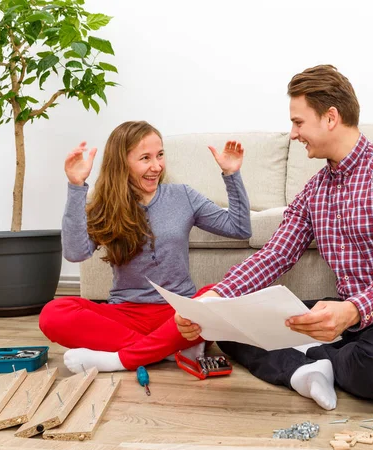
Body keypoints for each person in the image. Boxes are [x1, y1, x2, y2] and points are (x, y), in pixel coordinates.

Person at [176, 65, 373, 409]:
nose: (293, 134)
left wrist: (352, 311)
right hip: (347, 317)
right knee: (231, 331)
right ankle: (309, 372)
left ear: (331, 117)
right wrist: (211, 303)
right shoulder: (314, 191)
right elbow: (275, 255)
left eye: (298, 122)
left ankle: (308, 360)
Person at [39, 121, 252, 373]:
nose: (156, 166)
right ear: (122, 163)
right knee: (53, 313)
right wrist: (76, 187)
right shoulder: (106, 205)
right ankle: (166, 349)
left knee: (222, 293)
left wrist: (231, 175)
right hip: (126, 314)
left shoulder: (182, 195)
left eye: (160, 155)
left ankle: (120, 358)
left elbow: (239, 229)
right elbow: (76, 253)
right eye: (145, 158)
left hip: (178, 316)